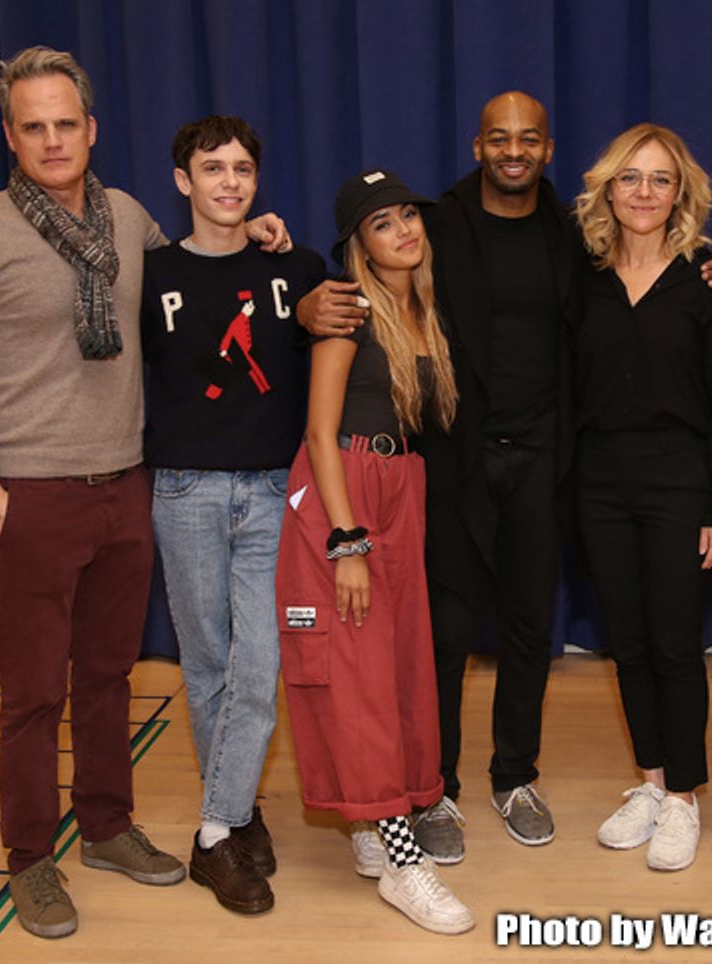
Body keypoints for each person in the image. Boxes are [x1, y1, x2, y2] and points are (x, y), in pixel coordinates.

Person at [297, 92, 712, 863]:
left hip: (549, 461)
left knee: (530, 630)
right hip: (453, 463)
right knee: (441, 635)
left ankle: (515, 776)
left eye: (529, 139)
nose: (514, 150)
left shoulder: (578, 236)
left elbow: (680, 307)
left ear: (547, 149)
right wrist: (306, 302)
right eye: (500, 138)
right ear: (477, 145)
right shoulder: (433, 222)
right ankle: (432, 788)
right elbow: (361, 262)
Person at [0, 46, 286, 939]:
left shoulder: (127, 218)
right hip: (29, 492)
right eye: (33, 126)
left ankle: (109, 825)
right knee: (33, 690)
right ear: (10, 137)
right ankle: (30, 857)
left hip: (129, 484)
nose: (52, 139)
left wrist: (261, 234)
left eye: (66, 123)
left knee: (111, 678)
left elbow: (201, 279)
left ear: (93, 129)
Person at [274, 170, 472, 935]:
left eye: (407, 218)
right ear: (359, 244)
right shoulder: (345, 311)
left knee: (393, 671)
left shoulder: (419, 309)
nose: (403, 232)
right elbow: (320, 432)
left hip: (399, 485)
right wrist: (346, 537)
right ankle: (399, 856)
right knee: (354, 678)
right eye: (382, 224)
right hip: (343, 489)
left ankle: (368, 827)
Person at [141, 115, 326, 914]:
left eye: (242, 169)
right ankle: (242, 812)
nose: (229, 182)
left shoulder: (299, 267)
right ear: (183, 181)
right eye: (212, 169)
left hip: (267, 493)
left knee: (259, 665)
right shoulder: (146, 274)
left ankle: (212, 835)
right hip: (183, 490)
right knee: (210, 665)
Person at [572, 124, 712, 872]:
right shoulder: (583, 276)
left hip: (681, 481)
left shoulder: (709, 276)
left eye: (660, 179)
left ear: (682, 193)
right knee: (629, 643)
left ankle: (683, 798)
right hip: (600, 483)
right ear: (609, 188)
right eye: (630, 178)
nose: (644, 192)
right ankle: (648, 783)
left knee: (675, 645)